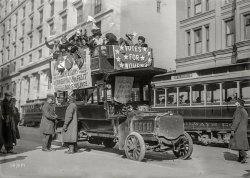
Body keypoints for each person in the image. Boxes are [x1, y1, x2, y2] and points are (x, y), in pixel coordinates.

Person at [229, 98, 249, 163]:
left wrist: (232, 129)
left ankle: (244, 156)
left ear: (239, 103)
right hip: (243, 129)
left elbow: (236, 121)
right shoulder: (243, 110)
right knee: (240, 144)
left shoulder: (238, 110)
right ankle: (241, 158)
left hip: (238, 129)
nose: (235, 103)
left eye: (236, 102)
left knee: (238, 143)